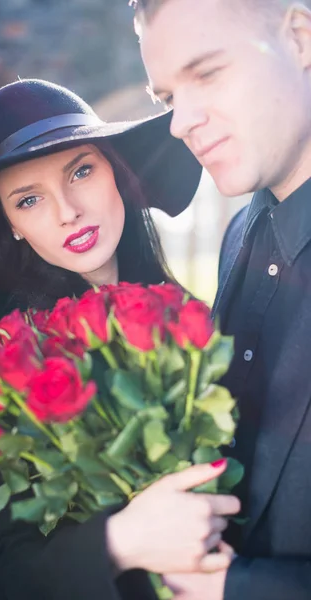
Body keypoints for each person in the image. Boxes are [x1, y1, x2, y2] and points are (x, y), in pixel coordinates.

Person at [0, 78, 240, 600]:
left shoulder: (194, 320)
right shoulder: (2, 370)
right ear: (10, 224)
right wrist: (120, 540)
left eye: (81, 171)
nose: (67, 210)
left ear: (116, 172)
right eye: (29, 199)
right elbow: (3, 571)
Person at [133, 0, 311, 599]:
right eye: (166, 99)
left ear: (301, 40)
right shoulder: (239, 235)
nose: (180, 122)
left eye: (206, 72)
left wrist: (238, 591)